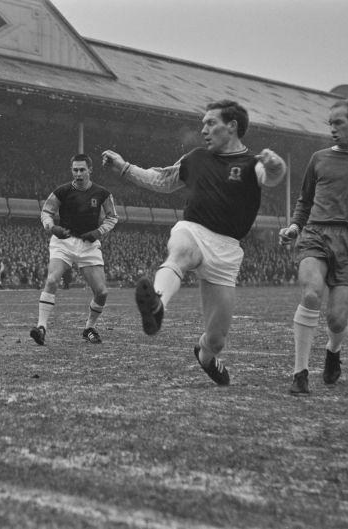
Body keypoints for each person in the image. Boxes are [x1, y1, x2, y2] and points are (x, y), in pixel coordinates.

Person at [102, 99, 287, 385]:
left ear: (232, 127)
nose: (203, 130)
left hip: (227, 251)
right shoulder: (196, 158)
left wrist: (276, 165)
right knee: (180, 252)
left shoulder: (252, 164)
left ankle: (206, 355)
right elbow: (162, 180)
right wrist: (125, 167)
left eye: (210, 123)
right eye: (203, 124)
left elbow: (272, 177)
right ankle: (156, 305)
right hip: (194, 230)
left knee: (217, 338)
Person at [279, 99, 348, 395]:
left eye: (338, 123)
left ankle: (333, 349)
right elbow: (304, 200)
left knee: (337, 319)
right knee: (311, 294)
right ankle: (300, 374)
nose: (332, 129)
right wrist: (294, 226)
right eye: (329, 123)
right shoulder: (319, 158)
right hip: (316, 233)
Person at [29, 153, 118, 345]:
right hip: (64, 241)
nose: (78, 173)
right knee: (52, 279)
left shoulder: (102, 193)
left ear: (90, 170)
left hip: (88, 245)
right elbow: (46, 212)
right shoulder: (61, 191)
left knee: (102, 293)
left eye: (82, 170)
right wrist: (52, 228)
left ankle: (89, 328)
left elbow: (112, 217)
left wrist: (98, 232)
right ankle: (41, 327)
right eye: (75, 170)